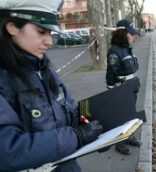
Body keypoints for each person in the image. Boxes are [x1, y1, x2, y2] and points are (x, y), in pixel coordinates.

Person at [0, 1, 103, 171]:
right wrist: (76, 136)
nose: (49, 41)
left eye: (49, 32)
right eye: (41, 32)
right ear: (12, 27)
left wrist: (95, 125)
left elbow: (71, 109)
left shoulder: (44, 69)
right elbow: (8, 151)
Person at [106, 19, 142, 155]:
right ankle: (119, 143)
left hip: (131, 87)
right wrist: (111, 90)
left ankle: (129, 136)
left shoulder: (127, 49)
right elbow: (110, 73)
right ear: (123, 33)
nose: (133, 36)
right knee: (120, 117)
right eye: (131, 34)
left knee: (130, 114)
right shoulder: (115, 51)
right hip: (120, 88)